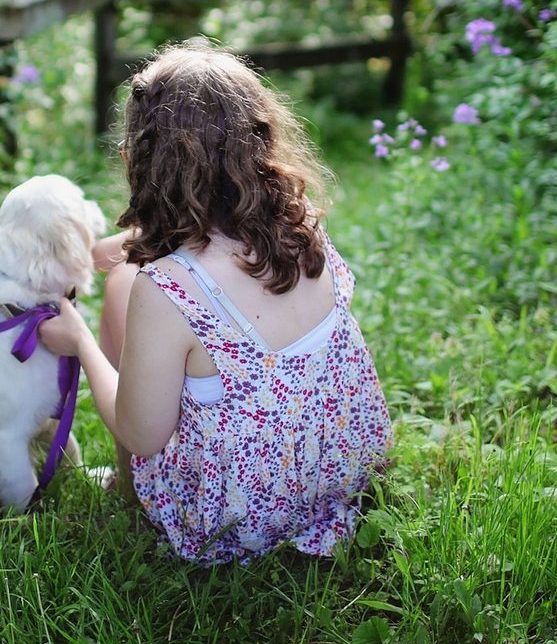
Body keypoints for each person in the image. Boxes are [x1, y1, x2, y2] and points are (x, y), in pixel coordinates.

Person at [40, 43, 391, 563]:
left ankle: (129, 491)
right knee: (126, 274)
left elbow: (143, 434)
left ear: (141, 159)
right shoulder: (302, 226)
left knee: (121, 285)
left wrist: (82, 345)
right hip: (341, 473)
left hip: (235, 517)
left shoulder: (164, 289)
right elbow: (207, 248)